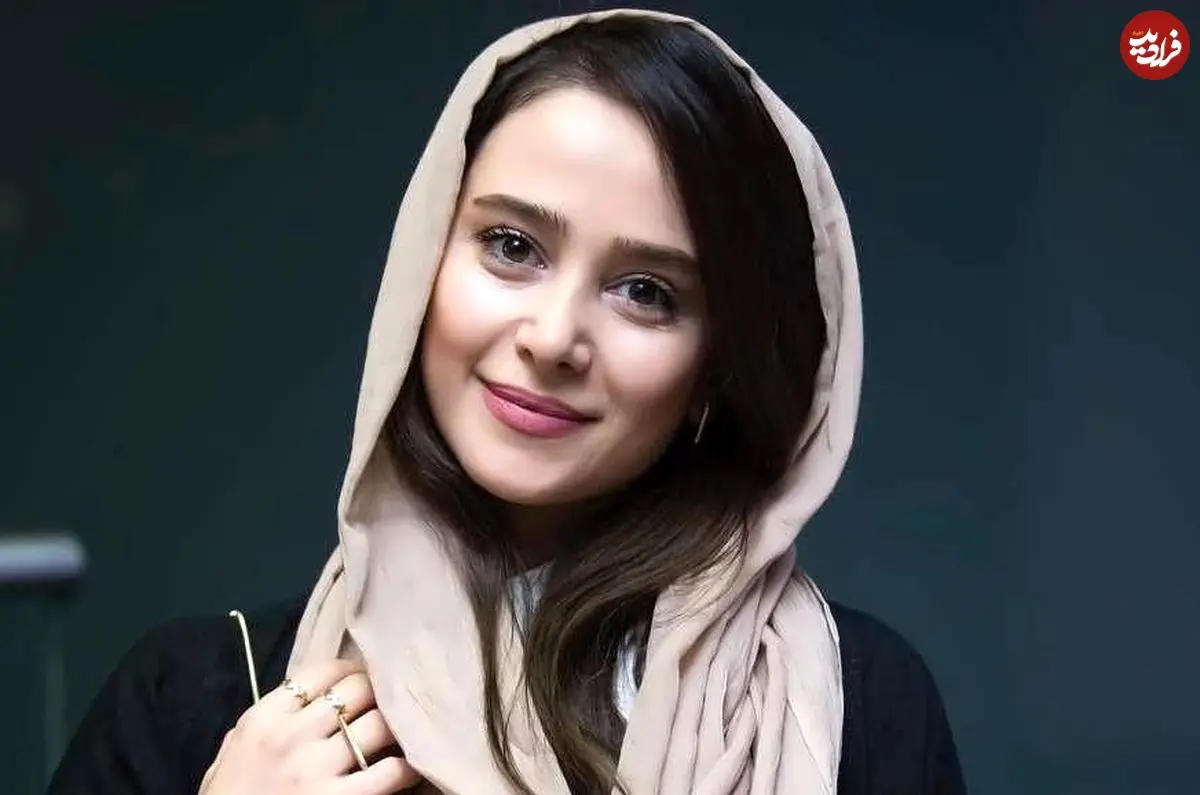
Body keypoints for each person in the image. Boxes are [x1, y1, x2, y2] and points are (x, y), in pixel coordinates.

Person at [47, 9, 966, 795]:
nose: (553, 336)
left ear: (717, 370)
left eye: (647, 292)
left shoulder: (857, 708)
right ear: (425, 263)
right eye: (512, 246)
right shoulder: (198, 702)